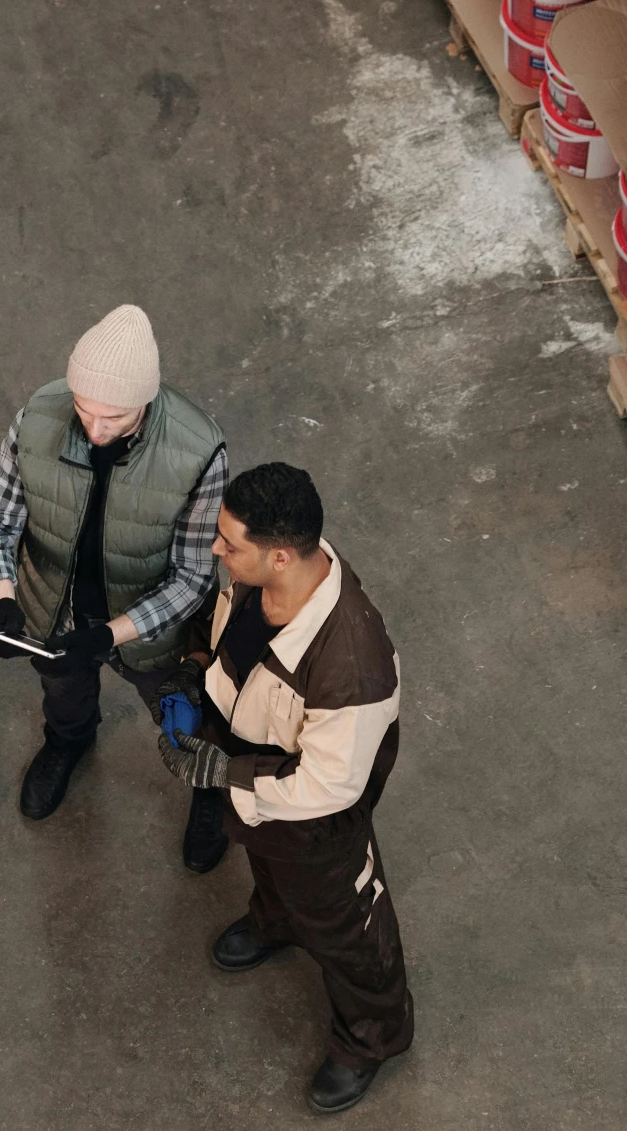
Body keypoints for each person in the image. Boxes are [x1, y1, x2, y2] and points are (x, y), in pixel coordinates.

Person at [158, 462, 412, 1116]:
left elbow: (328, 783)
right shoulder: (260, 580)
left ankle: (372, 1034)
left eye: (229, 543)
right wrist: (194, 672)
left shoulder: (351, 665)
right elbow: (225, 637)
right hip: (254, 765)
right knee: (266, 861)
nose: (216, 550)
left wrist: (222, 773)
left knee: (348, 927)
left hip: (316, 814)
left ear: (277, 554)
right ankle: (276, 920)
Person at [0, 302, 228, 871]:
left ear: (146, 401)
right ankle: (69, 740)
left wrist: (110, 634)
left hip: (150, 628)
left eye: (113, 418)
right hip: (51, 611)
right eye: (84, 410)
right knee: (63, 692)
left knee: (181, 710)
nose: (94, 429)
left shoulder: (198, 450)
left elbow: (193, 576)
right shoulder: (38, 416)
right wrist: (3, 599)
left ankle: (209, 787)